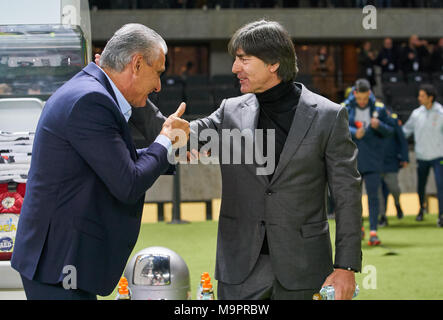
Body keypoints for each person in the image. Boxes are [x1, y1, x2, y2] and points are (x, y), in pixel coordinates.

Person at [11, 23, 190, 300]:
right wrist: (165, 140)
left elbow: (111, 163)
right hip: (58, 263)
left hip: (60, 260)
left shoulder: (90, 90)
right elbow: (128, 182)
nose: (157, 86)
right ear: (137, 64)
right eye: (158, 73)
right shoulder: (92, 100)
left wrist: (166, 152)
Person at [191, 20, 362, 300]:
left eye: (244, 59)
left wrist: (346, 266)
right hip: (240, 270)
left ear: (273, 63)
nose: (235, 68)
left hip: (305, 268)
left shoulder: (329, 116)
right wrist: (125, 90)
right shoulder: (229, 111)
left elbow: (347, 195)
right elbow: (183, 136)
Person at [342, 79, 393, 246]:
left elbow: (390, 131)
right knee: (354, 199)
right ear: (355, 94)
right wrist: (354, 132)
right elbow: (336, 128)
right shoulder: (344, 107)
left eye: (365, 98)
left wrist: (379, 126)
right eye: (360, 98)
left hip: (373, 160)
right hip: (352, 160)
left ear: (369, 94)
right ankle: (359, 227)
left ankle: (373, 231)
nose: (362, 101)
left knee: (373, 196)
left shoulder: (379, 108)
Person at [402, 84, 443, 226]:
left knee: (441, 185)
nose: (419, 98)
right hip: (421, 156)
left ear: (430, 98)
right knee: (421, 185)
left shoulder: (441, 112)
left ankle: (441, 215)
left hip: (439, 156)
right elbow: (405, 131)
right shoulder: (416, 114)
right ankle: (421, 209)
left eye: (422, 96)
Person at [378, 109, 409, 227]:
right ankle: (382, 216)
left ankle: (397, 203)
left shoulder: (392, 121)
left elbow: (402, 140)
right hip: (375, 163)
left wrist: (405, 158)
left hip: (390, 162)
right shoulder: (369, 121)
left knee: (394, 188)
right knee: (377, 192)